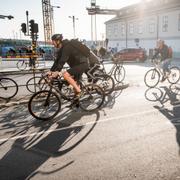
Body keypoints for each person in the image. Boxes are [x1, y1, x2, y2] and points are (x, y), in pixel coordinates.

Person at [47, 34, 90, 98]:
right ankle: (76, 102)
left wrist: (57, 71)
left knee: (65, 74)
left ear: (58, 41)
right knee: (75, 83)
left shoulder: (67, 47)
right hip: (76, 66)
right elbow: (57, 61)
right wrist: (51, 71)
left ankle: (79, 91)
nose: (52, 43)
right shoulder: (62, 48)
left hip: (82, 64)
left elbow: (62, 61)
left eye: (53, 42)